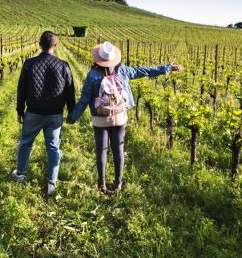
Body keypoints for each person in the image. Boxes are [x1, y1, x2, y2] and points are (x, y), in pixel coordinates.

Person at [66, 41, 182, 193]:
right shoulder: (123, 71)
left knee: (102, 150)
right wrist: (166, 68)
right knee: (118, 149)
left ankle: (102, 184)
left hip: (100, 119)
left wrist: (73, 117)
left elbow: (84, 99)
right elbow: (144, 71)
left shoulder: (92, 75)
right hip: (120, 117)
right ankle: (118, 183)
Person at [13, 31, 75, 195]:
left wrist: (20, 110)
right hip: (55, 114)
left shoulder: (29, 64)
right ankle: (51, 183)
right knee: (53, 147)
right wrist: (71, 111)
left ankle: (20, 174)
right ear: (55, 45)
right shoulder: (63, 65)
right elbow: (70, 91)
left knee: (26, 142)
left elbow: (22, 90)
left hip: (33, 112)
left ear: (39, 45)